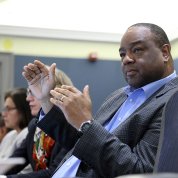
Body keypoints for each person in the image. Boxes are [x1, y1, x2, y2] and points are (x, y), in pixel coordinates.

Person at [21, 23, 178, 178]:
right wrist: (45, 100)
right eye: (122, 54)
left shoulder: (173, 101)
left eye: (137, 50)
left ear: (165, 52)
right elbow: (81, 144)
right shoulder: (118, 96)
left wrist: (85, 123)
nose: (126, 59)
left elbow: (139, 172)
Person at [3, 68, 78, 178]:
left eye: (33, 92)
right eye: (29, 92)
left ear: (55, 93)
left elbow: (55, 172)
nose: (28, 98)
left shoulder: (70, 127)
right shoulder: (35, 125)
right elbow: (15, 161)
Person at [0, 88, 32, 158]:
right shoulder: (10, 135)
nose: (3, 114)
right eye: (5, 109)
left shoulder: (27, 134)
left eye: (9, 109)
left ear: (22, 110)